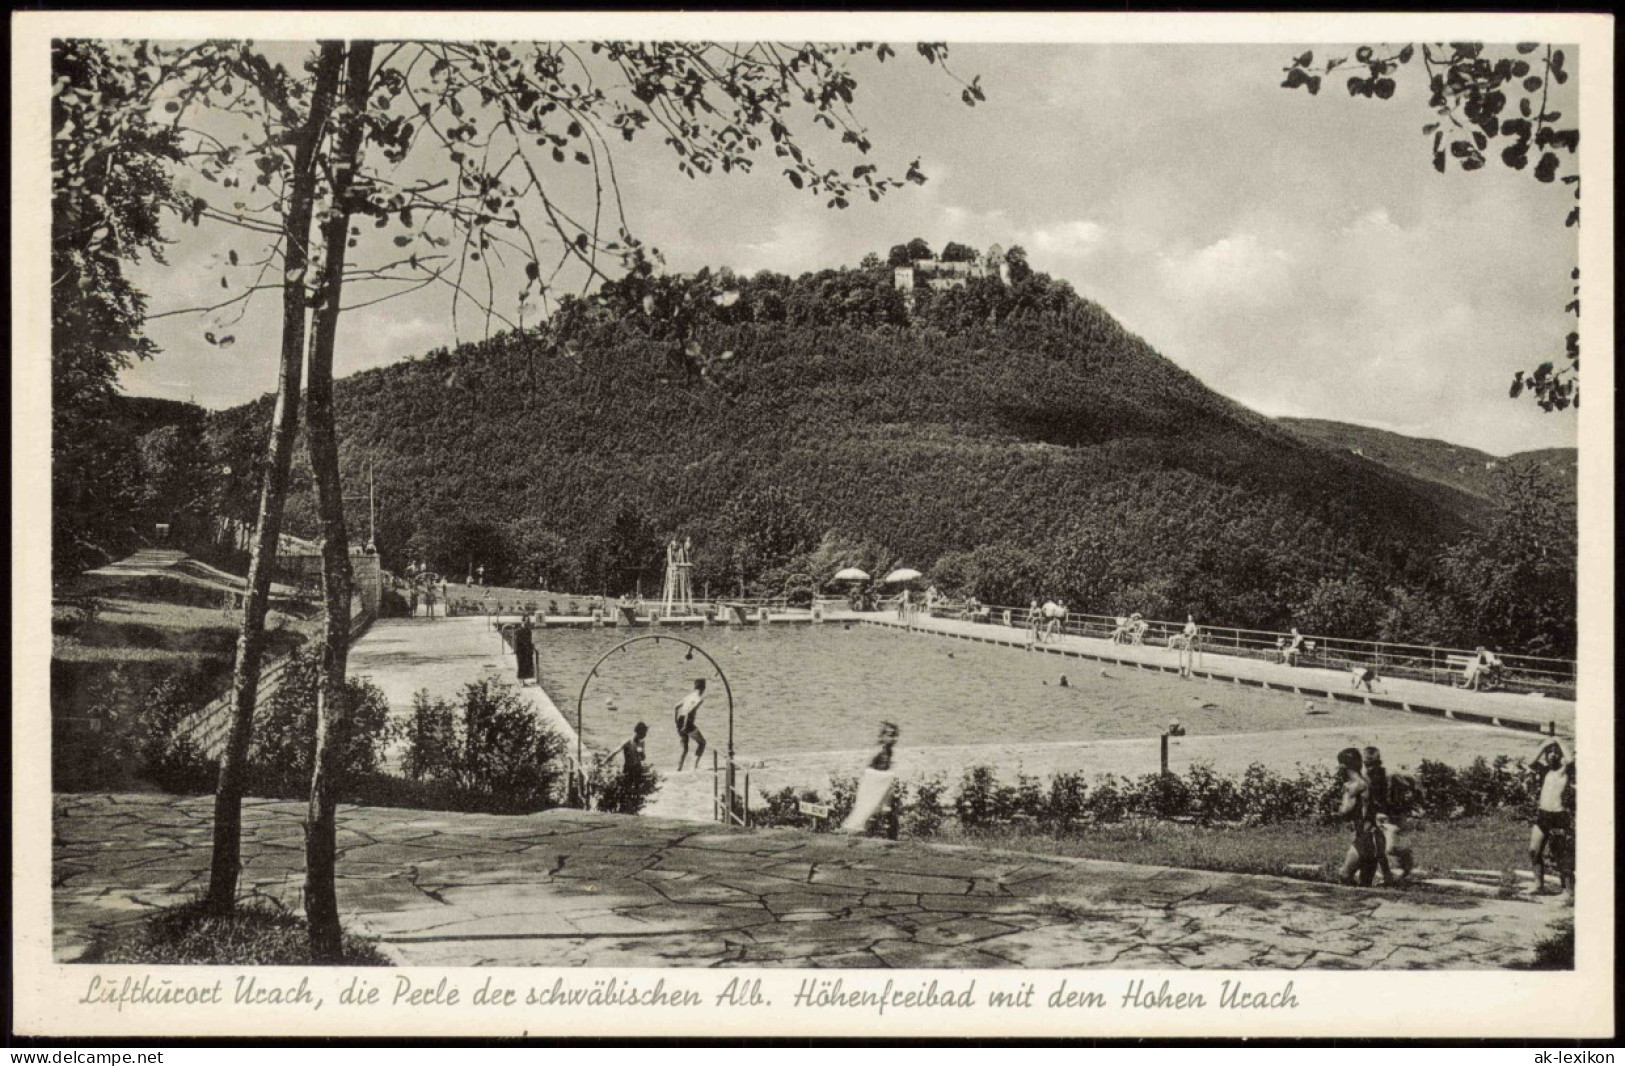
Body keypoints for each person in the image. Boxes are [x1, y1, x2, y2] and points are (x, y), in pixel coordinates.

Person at [1528, 737, 1575, 895]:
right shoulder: (1544, 771)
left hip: (1558, 816)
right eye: (1550, 752)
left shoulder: (1564, 770)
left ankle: (1568, 892)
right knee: (1534, 851)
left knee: (1561, 855)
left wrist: (1559, 741)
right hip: (1543, 815)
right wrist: (1544, 745)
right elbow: (1530, 762)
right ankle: (1539, 885)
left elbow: (1569, 760)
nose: (1553, 755)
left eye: (1556, 752)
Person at [1334, 747, 1379, 887]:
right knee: (1365, 885)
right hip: (1374, 837)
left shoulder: (1354, 786)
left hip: (1364, 839)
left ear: (1343, 766)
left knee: (1344, 875)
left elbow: (1344, 811)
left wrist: (1344, 794)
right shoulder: (1366, 781)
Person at [1361, 746, 1405, 886]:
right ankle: (1387, 876)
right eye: (1368, 764)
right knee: (1378, 849)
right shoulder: (1370, 775)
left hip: (1383, 815)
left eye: (1372, 763)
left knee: (1385, 848)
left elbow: (1381, 797)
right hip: (1375, 815)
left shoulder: (1382, 775)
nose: (1370, 767)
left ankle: (1401, 859)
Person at [865, 721, 901, 840]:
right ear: (882, 736)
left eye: (895, 735)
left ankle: (890, 838)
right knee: (873, 813)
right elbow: (868, 768)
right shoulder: (879, 750)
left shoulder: (889, 751)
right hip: (875, 785)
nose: (894, 739)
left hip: (884, 786)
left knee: (889, 813)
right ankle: (869, 836)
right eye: (890, 735)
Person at [674, 678, 708, 771]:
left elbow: (676, 707)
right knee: (702, 743)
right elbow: (689, 712)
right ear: (703, 688)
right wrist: (685, 725)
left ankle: (679, 768)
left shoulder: (689, 696)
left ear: (694, 687)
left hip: (680, 720)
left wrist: (676, 721)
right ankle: (695, 766)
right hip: (687, 722)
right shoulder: (699, 699)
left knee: (684, 748)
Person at [512, 617, 536, 684]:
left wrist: (531, 647)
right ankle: (521, 681)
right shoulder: (518, 631)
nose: (526, 624)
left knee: (526, 665)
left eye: (527, 623)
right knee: (521, 665)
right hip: (521, 650)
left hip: (527, 650)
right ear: (522, 622)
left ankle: (524, 680)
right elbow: (517, 642)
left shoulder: (528, 631)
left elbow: (529, 641)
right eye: (525, 622)